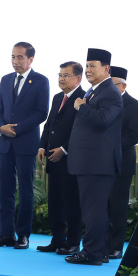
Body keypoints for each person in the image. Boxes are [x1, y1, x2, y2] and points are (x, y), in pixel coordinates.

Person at [0, 42, 49, 250]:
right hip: (5, 143)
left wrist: (17, 129)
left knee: (25, 190)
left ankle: (23, 235)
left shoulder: (41, 81)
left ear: (31, 59)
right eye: (13, 57)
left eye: (20, 57)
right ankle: (5, 234)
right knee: (5, 190)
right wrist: (0, 127)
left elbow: (41, 112)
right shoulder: (5, 80)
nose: (15, 61)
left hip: (26, 143)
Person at [66, 48, 122, 266]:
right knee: (93, 209)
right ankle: (100, 251)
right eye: (87, 65)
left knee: (93, 210)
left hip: (98, 163)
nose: (88, 70)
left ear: (106, 68)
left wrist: (81, 107)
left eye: (92, 66)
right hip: (89, 162)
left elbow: (103, 119)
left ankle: (92, 253)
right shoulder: (95, 91)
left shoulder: (110, 92)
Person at [36, 61, 85, 256]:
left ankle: (73, 242)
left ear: (78, 79)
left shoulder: (84, 98)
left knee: (72, 203)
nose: (61, 79)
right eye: (60, 75)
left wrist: (64, 149)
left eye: (66, 75)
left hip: (71, 160)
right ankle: (57, 240)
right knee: (55, 202)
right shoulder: (58, 97)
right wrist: (42, 146)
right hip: (52, 159)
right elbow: (49, 124)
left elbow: (81, 130)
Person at [107, 66, 138, 260]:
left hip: (122, 162)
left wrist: (110, 145)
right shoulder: (101, 102)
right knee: (100, 205)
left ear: (123, 86)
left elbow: (135, 135)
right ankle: (99, 244)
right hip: (99, 163)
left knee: (118, 206)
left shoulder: (135, 105)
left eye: (113, 85)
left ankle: (115, 247)